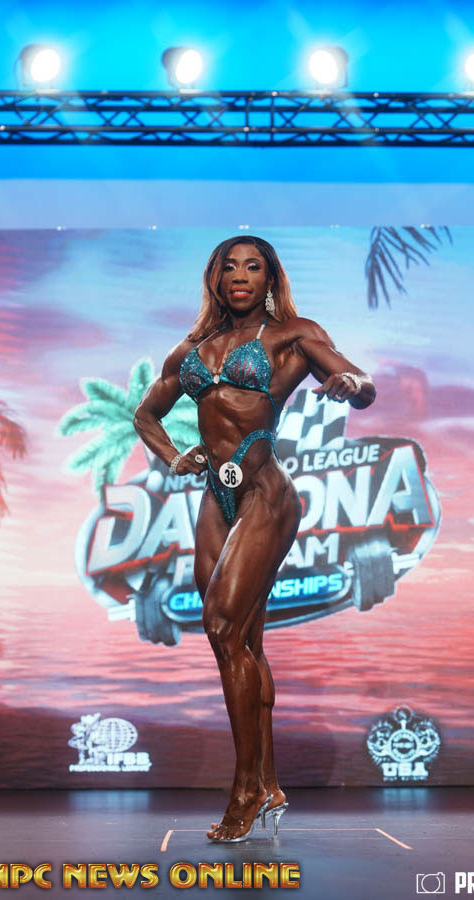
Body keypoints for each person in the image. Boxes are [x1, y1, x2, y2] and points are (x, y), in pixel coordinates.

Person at [133, 235, 376, 842]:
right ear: (215, 278)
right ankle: (268, 783)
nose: (241, 275)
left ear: (270, 279)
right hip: (215, 498)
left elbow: (359, 381)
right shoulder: (192, 348)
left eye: (254, 266)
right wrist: (173, 456)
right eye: (230, 266)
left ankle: (244, 790)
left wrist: (349, 385)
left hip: (266, 494)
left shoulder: (294, 335)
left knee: (221, 625)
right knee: (237, 644)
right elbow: (145, 413)